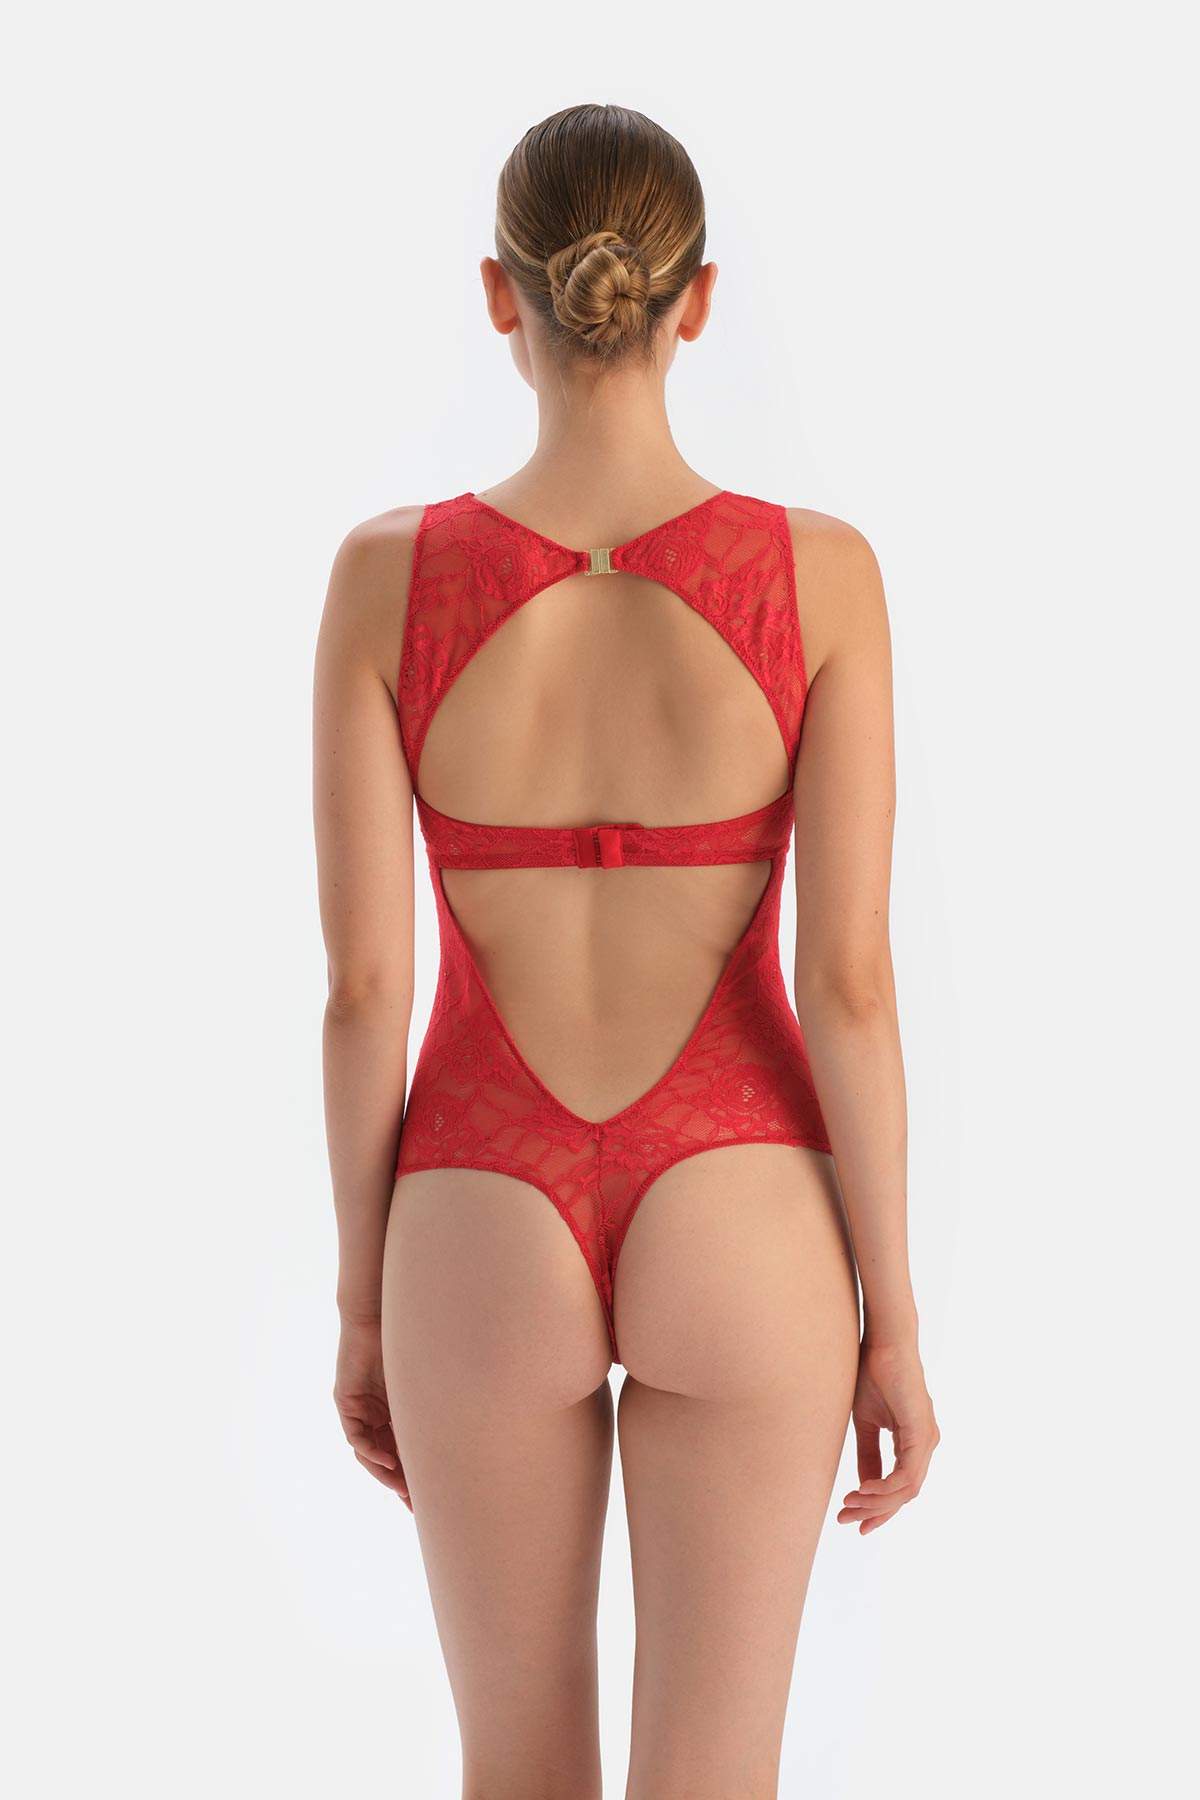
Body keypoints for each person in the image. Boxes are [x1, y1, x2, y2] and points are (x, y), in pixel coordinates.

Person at [313, 101, 939, 1800]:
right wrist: (890, 1320)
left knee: (515, 1768)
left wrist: (367, 1303)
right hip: (742, 1193)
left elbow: (365, 992)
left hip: (475, 1204)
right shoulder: (819, 577)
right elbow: (850, 985)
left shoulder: (386, 579)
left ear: (498, 295)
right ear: (699, 299)